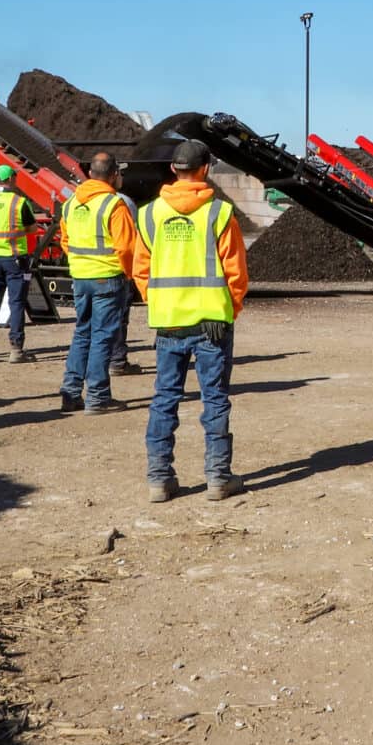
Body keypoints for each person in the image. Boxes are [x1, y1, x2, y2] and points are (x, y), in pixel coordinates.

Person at [131, 139, 249, 503]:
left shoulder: (150, 214)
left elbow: (140, 269)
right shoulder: (219, 213)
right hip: (213, 323)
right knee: (214, 400)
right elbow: (236, 273)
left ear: (173, 169)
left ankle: (159, 480)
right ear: (206, 169)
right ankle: (217, 478)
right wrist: (228, 310)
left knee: (165, 398)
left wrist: (161, 303)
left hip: (169, 323)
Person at [59, 151, 136, 414]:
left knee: (83, 333)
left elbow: (65, 241)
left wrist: (82, 264)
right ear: (114, 175)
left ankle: (70, 393)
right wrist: (128, 274)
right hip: (108, 278)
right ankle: (98, 396)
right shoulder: (114, 205)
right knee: (103, 337)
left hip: (81, 277)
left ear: (91, 174)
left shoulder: (70, 203)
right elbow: (127, 248)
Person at [0, 164, 35, 363]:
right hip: (15, 259)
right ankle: (16, 350)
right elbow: (32, 227)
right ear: (10, 179)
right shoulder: (20, 203)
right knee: (16, 302)